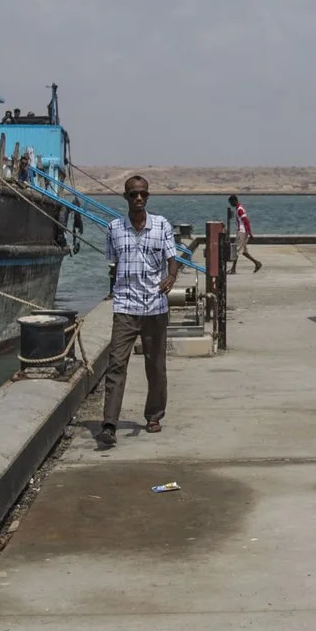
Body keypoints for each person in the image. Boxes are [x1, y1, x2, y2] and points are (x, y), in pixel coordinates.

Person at [98, 174, 178, 449]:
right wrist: (113, 291)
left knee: (155, 366)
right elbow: (113, 264)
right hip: (125, 306)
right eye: (133, 194)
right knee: (116, 364)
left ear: (148, 196)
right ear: (126, 197)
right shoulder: (114, 228)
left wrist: (171, 277)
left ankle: (154, 415)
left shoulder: (162, 225)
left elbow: (172, 258)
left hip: (155, 306)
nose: (139, 198)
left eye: (143, 193)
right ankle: (109, 424)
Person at [228, 193, 262, 274]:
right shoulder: (239, 208)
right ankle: (257, 263)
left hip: (242, 232)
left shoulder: (240, 209)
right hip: (243, 232)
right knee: (244, 251)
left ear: (234, 201)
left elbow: (246, 221)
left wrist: (250, 233)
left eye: (231, 202)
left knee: (235, 250)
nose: (231, 204)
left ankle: (233, 269)